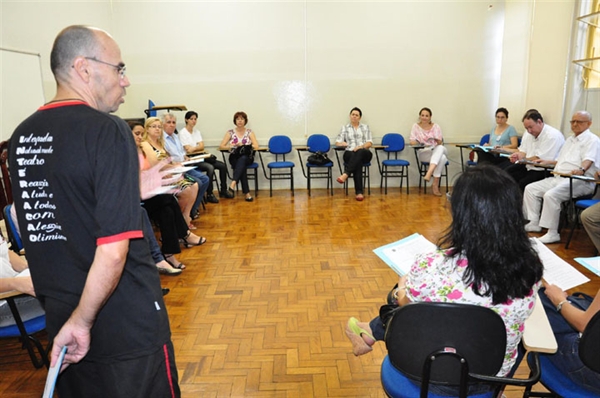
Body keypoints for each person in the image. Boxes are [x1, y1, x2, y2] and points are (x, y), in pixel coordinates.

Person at [8, 25, 180, 397]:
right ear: (84, 68)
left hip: (62, 322)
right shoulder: (108, 130)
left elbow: (40, 218)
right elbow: (113, 248)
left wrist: (128, 192)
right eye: (119, 68)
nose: (126, 80)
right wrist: (83, 322)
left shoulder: (23, 135)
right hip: (121, 323)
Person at [345, 165, 544, 394]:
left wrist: (401, 289)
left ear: (461, 214)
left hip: (423, 372)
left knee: (402, 297)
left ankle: (369, 330)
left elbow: (407, 307)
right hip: (488, 378)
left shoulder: (431, 263)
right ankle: (369, 331)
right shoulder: (531, 267)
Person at [131, 121, 206, 273]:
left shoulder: (142, 150)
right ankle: (184, 234)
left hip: (150, 192)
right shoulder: (127, 152)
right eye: (136, 134)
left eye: (140, 134)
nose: (140, 137)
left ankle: (169, 254)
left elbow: (153, 168)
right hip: (137, 196)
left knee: (168, 211)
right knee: (168, 199)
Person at [523, 111, 599, 244]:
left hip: (580, 181)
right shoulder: (570, 139)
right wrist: (548, 162)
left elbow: (589, 160)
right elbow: (561, 160)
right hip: (559, 176)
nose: (575, 124)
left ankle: (552, 233)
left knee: (551, 195)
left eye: (579, 122)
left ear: (589, 123)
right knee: (531, 188)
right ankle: (534, 222)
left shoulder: (592, 140)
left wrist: (581, 169)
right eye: (573, 121)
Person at [539, 284, 600, 394]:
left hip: (591, 367)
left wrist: (559, 300)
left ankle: (498, 387)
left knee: (535, 300)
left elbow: (584, 324)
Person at [141, 117, 199, 228]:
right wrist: (172, 167)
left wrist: (175, 166)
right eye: (154, 127)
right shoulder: (146, 144)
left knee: (195, 185)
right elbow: (155, 164)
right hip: (157, 177)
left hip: (168, 174)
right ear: (147, 129)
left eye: (159, 127)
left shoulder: (160, 143)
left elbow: (168, 159)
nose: (157, 129)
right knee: (186, 191)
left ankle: (185, 216)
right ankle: (178, 221)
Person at [162, 113, 210, 220]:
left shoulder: (175, 136)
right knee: (198, 182)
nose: (171, 125)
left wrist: (185, 157)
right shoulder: (162, 139)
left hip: (184, 165)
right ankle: (189, 212)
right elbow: (166, 159)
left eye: (173, 122)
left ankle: (193, 209)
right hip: (174, 170)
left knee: (205, 179)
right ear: (163, 124)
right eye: (168, 122)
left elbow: (182, 152)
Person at [179, 111, 233, 202]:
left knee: (222, 165)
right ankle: (210, 194)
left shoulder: (197, 132)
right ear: (186, 120)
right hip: (191, 159)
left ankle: (223, 190)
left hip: (201, 156)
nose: (194, 121)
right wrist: (197, 147)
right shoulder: (182, 133)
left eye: (195, 119)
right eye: (191, 119)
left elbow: (201, 146)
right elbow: (188, 149)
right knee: (210, 168)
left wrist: (195, 148)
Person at [505, 109, 565, 191]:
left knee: (522, 184)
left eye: (530, 127)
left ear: (539, 122)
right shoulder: (528, 133)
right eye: (526, 128)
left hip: (544, 170)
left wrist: (522, 159)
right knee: (506, 175)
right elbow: (523, 151)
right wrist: (517, 155)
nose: (529, 131)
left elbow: (539, 159)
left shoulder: (552, 136)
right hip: (528, 166)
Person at [218, 111, 259, 202]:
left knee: (243, 160)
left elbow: (256, 146)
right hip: (234, 157)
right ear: (235, 121)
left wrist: (245, 146)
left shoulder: (249, 132)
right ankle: (247, 194)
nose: (240, 121)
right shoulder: (230, 132)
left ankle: (232, 184)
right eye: (238, 119)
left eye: (242, 119)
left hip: (247, 157)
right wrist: (233, 146)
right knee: (241, 166)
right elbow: (221, 146)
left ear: (245, 121)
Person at [334, 107, 373, 201]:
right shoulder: (345, 128)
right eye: (353, 114)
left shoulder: (365, 127)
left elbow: (369, 143)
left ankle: (346, 174)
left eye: (357, 115)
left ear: (360, 117)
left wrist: (361, 147)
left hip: (364, 152)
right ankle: (359, 192)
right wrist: (342, 143)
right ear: (350, 116)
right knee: (357, 162)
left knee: (359, 152)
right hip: (349, 153)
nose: (354, 117)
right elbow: (337, 142)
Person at [409, 107, 448, 196]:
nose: (424, 117)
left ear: (430, 117)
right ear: (420, 116)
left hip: (435, 149)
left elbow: (440, 142)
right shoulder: (415, 126)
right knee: (442, 158)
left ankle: (429, 173)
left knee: (440, 148)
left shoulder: (436, 126)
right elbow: (411, 142)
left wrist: (436, 139)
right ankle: (435, 184)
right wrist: (420, 142)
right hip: (424, 152)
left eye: (427, 116)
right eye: (422, 115)